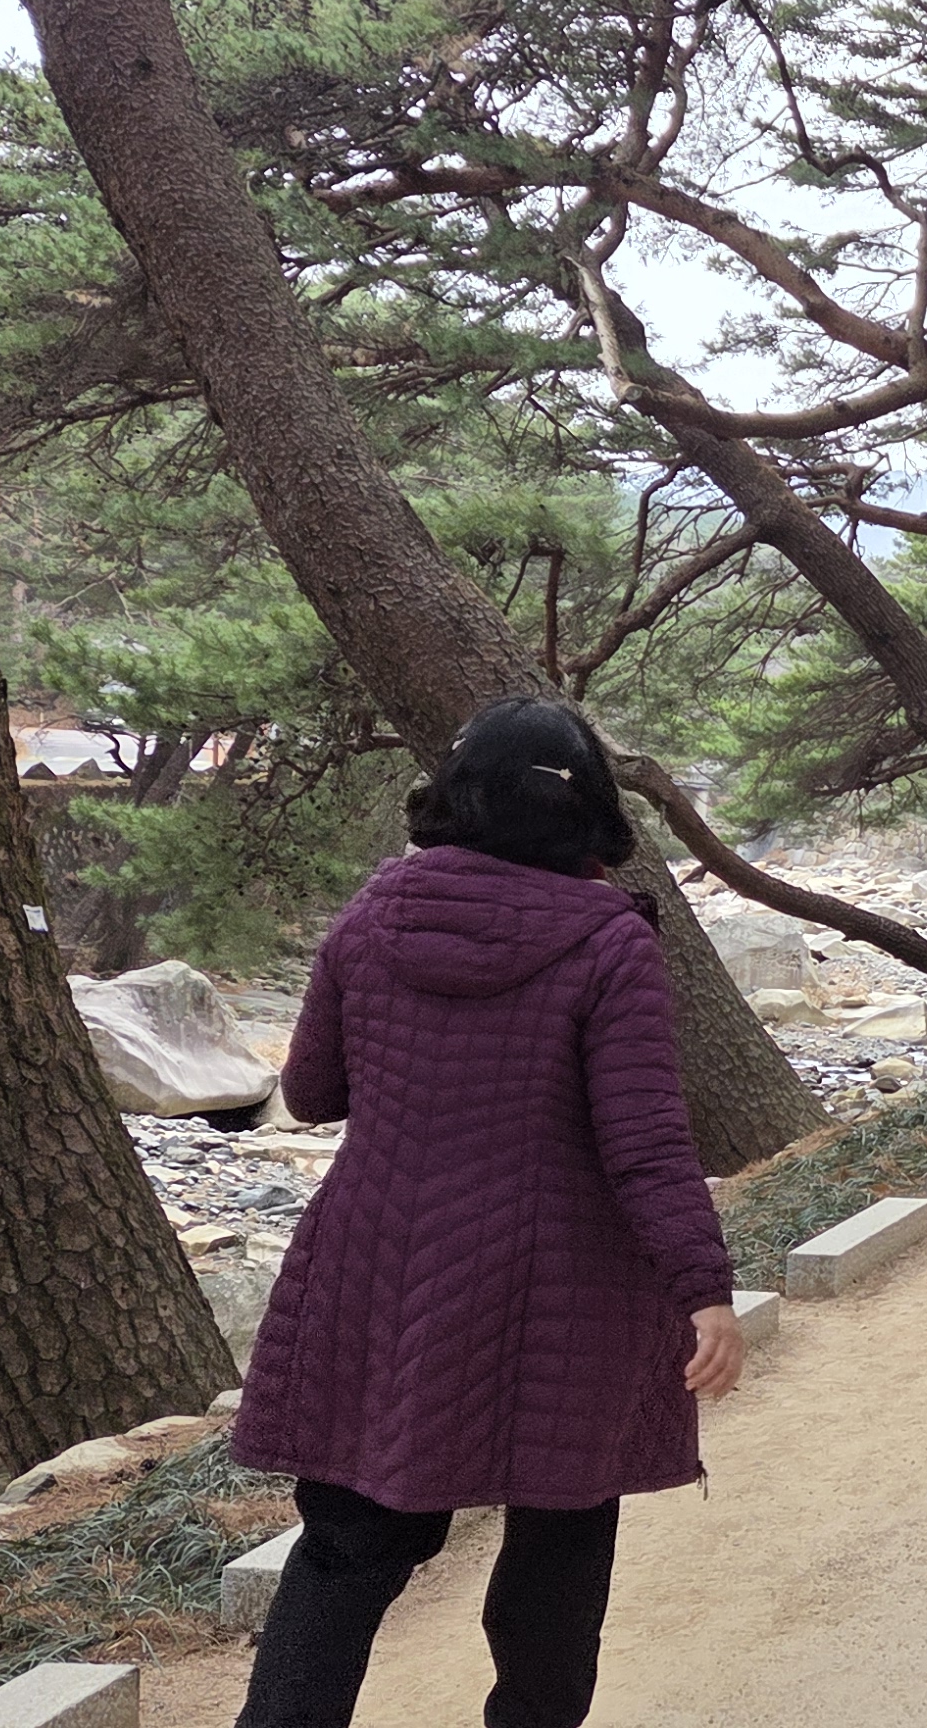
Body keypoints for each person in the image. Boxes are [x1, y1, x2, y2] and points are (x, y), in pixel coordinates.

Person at [230, 697, 743, 1728]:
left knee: (347, 1547)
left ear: (456, 795)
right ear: (586, 809)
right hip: (563, 1286)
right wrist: (705, 1291)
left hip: (381, 1264)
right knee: (560, 1534)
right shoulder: (608, 941)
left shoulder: (373, 914)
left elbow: (313, 1092)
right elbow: (643, 1142)